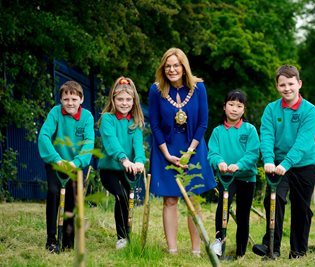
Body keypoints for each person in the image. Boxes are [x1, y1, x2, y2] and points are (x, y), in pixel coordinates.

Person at [148, 47, 216, 256]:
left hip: (193, 148)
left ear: (183, 66)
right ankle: (172, 250)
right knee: (170, 199)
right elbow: (155, 125)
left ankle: (196, 250)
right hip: (166, 149)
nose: (172, 69)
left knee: (193, 198)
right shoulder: (156, 90)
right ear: (163, 68)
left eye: (176, 65)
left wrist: (190, 151)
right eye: (168, 66)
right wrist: (167, 153)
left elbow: (203, 123)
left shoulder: (199, 88)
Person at [252, 65, 315, 259]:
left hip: (303, 165)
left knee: (301, 208)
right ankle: (271, 247)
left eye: (291, 84)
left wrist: (286, 164)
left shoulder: (309, 110)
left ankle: (298, 250)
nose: (287, 88)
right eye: (282, 85)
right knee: (273, 200)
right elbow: (266, 136)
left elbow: (304, 142)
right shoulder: (271, 109)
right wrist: (269, 160)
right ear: (277, 86)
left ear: (299, 84)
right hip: (277, 164)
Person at [38, 80, 95, 253]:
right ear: (61, 100)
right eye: (66, 99)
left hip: (74, 165)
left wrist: (76, 162)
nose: (70, 103)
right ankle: (51, 239)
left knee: (72, 201)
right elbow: (44, 136)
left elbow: (88, 142)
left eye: (74, 99)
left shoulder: (87, 117)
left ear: (81, 99)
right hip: (56, 163)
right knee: (54, 193)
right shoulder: (55, 113)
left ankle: (68, 241)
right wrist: (56, 159)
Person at [207, 90, 260, 258]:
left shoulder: (249, 130)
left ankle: (240, 252)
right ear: (224, 107)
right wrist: (220, 163)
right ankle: (219, 245)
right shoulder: (217, 132)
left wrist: (238, 165)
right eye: (231, 105)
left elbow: (253, 154)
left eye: (239, 106)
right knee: (222, 209)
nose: (234, 109)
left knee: (243, 214)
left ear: (244, 110)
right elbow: (212, 153)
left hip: (246, 178)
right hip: (226, 178)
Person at [98, 76, 146, 250]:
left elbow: (138, 147)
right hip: (110, 169)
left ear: (133, 101)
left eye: (128, 100)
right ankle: (121, 238)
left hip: (129, 170)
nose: (124, 103)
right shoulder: (107, 119)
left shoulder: (135, 123)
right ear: (113, 99)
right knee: (121, 195)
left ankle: (127, 235)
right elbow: (112, 143)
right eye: (120, 99)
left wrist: (139, 161)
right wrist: (124, 159)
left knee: (128, 200)